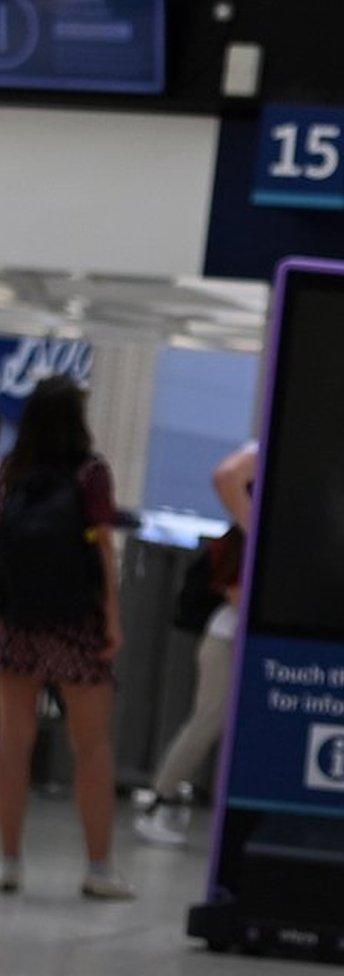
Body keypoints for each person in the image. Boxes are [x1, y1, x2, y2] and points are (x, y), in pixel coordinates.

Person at [0, 376, 134, 899]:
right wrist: (113, 620)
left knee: (12, 748)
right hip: (77, 629)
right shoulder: (91, 472)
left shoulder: (15, 470)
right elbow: (102, 550)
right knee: (93, 748)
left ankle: (8, 862)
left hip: (19, 628)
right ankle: (99, 870)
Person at [134, 440, 256, 847]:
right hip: (227, 639)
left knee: (217, 723)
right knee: (207, 720)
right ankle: (159, 797)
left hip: (234, 639)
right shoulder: (247, 537)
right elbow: (236, 593)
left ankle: (165, 795)